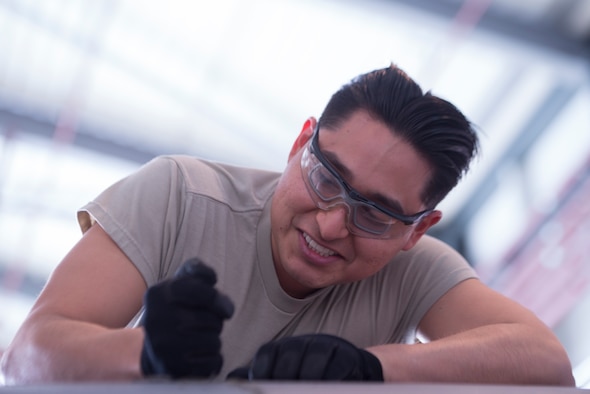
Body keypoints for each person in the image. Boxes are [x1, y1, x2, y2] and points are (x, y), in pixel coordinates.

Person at [0, 64, 575, 386]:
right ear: (301, 142)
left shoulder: (416, 270)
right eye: (327, 177)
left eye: (374, 213)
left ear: (416, 231)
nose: (330, 225)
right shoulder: (179, 193)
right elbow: (27, 355)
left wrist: (371, 367)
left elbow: (544, 359)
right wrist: (146, 352)